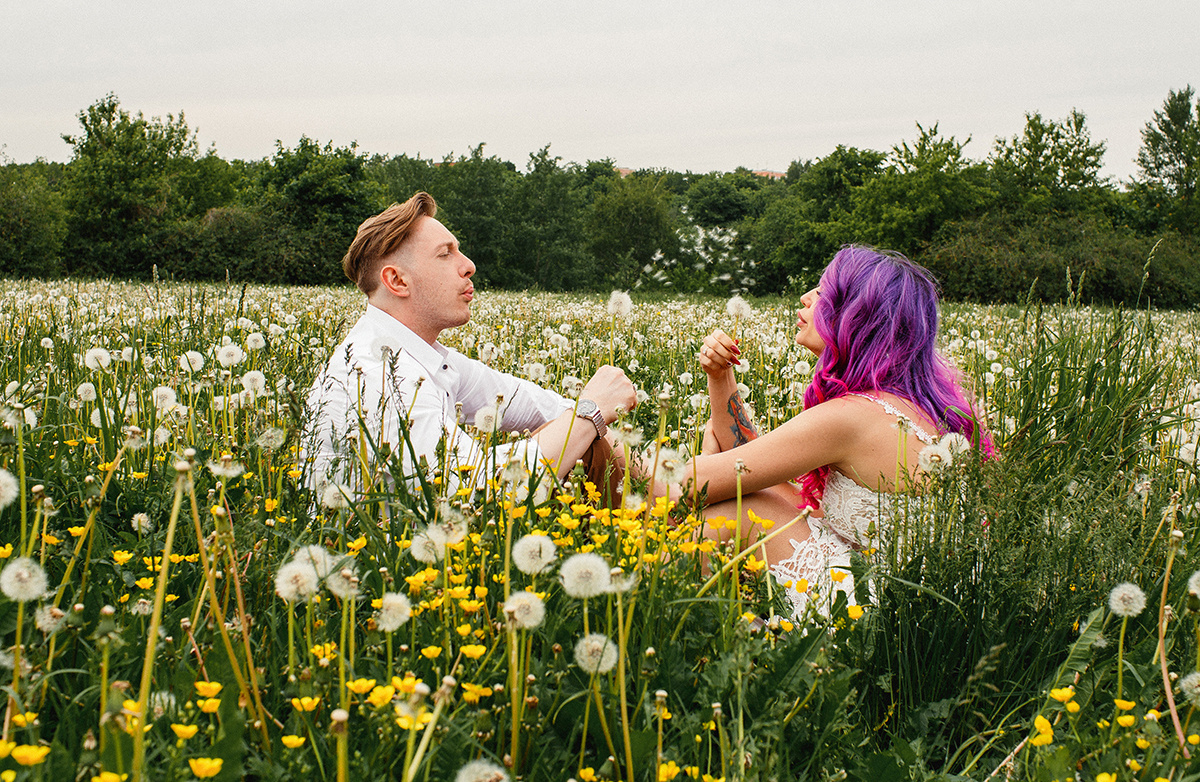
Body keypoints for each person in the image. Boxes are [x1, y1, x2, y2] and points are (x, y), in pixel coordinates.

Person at [679, 246, 992, 617]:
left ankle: (664, 617)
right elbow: (756, 474)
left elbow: (688, 485)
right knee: (758, 499)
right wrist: (720, 376)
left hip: (872, 614)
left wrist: (699, 457)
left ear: (856, 315)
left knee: (736, 511)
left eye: (823, 291)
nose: (805, 297)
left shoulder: (853, 416)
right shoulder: (922, 407)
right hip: (926, 612)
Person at [305, 192, 636, 503]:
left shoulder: (421, 356)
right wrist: (590, 410)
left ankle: (660, 512)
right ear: (398, 281)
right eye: (445, 253)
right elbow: (480, 492)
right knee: (581, 439)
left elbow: (537, 405)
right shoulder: (377, 375)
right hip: (383, 543)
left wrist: (594, 420)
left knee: (581, 433)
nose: (469, 265)